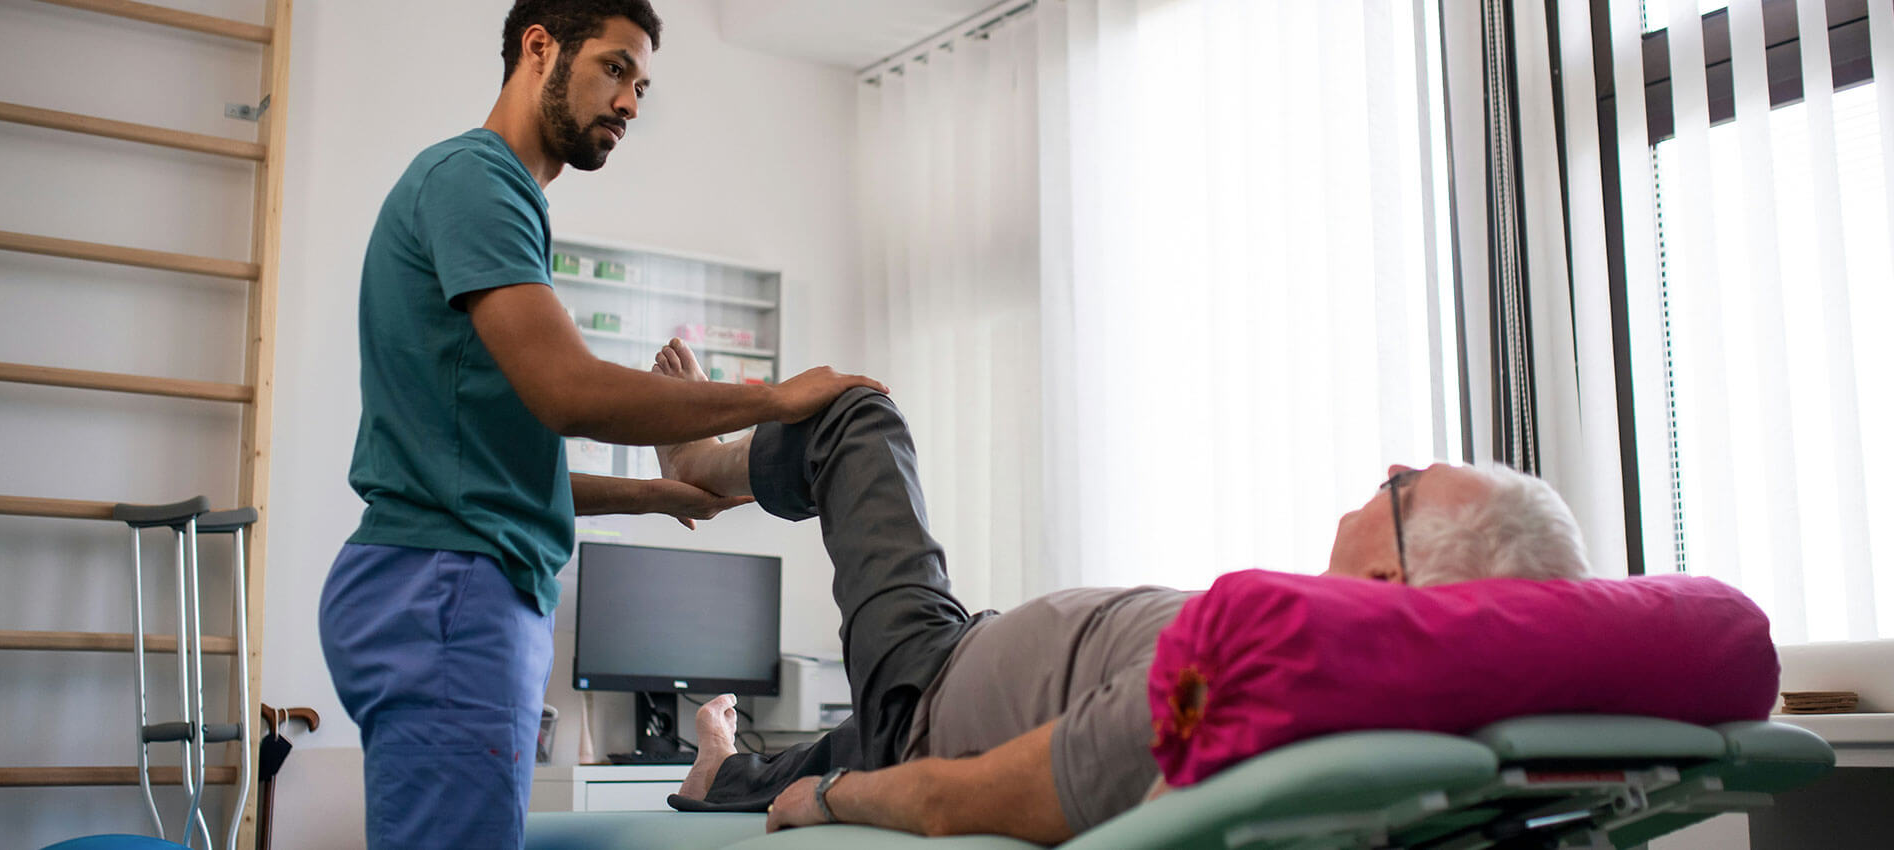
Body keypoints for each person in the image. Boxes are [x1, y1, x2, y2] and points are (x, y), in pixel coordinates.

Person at [316, 3, 886, 847]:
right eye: (615, 68)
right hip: (451, 586)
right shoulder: (478, 181)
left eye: (642, 86)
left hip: (437, 579)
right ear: (538, 48)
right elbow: (569, 392)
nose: (629, 102)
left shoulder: (490, 193)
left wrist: (655, 495)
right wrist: (773, 399)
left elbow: (485, 464)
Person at [643, 340, 1590, 842]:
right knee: (813, 750)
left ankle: (695, 463)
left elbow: (958, 799)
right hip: (960, 682)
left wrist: (839, 799)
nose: (1389, 470)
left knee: (855, 415)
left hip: (931, 690)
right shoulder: (1322, 662)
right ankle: (718, 770)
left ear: (1394, 578)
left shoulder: (1259, 680)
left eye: (1406, 486)